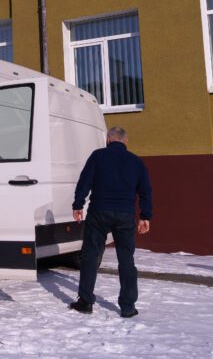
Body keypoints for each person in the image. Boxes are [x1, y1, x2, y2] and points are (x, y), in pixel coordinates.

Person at [70, 127, 153, 318]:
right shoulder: (136, 161)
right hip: (125, 215)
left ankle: (85, 302)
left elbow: (85, 181)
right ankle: (128, 306)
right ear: (126, 142)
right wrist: (145, 216)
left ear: (108, 140)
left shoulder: (98, 156)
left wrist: (78, 204)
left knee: (90, 256)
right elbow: (146, 191)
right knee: (126, 260)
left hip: (99, 212)